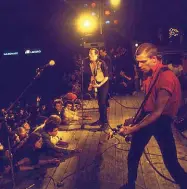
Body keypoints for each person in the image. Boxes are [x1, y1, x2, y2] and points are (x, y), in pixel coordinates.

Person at [118, 43, 187, 189]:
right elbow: (149, 103)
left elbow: (157, 113)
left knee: (170, 162)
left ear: (154, 59)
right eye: (138, 61)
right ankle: (130, 185)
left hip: (160, 122)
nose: (139, 65)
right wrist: (135, 119)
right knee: (133, 155)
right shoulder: (149, 75)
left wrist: (133, 128)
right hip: (150, 118)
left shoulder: (166, 78)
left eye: (143, 61)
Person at [88, 48, 109, 130]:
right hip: (97, 84)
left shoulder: (102, 63)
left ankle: (105, 123)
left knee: (103, 103)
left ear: (97, 55)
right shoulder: (91, 63)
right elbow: (93, 75)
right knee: (100, 103)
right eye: (89, 53)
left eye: (92, 54)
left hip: (103, 84)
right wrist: (91, 84)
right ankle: (101, 120)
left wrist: (99, 85)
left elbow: (107, 77)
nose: (90, 55)